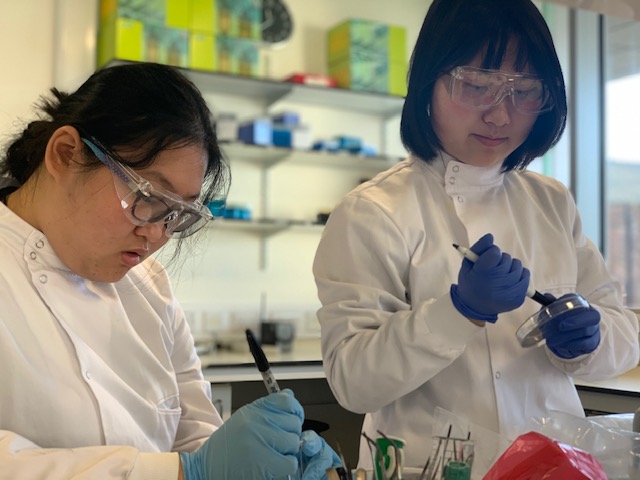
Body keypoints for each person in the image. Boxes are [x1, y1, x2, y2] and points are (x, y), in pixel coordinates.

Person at [312, 0, 640, 473]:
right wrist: (457, 311)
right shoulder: (371, 212)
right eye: (477, 85)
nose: (501, 116)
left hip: (553, 464)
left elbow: (622, 333)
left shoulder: (552, 203)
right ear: (428, 83)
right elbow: (354, 381)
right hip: (425, 465)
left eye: (525, 91)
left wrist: (591, 337)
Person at [0, 62, 339, 479]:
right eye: (149, 195)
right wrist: (188, 472)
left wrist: (264, 463)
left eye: (178, 213)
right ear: (66, 154)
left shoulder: (149, 287)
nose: (156, 234)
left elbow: (195, 434)